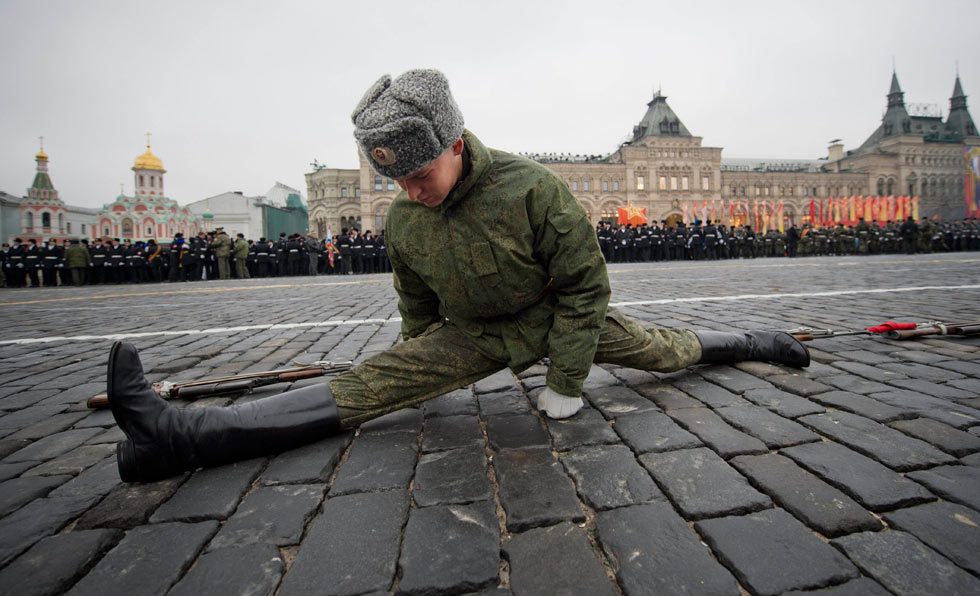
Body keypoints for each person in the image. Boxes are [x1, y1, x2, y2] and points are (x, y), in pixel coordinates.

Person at [106, 69, 808, 483]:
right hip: (477, 336)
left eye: (418, 174)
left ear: (453, 143)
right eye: (394, 179)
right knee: (364, 386)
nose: (408, 191)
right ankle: (182, 439)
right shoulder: (406, 219)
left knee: (663, 351)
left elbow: (587, 290)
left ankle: (750, 340)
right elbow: (416, 299)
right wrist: (421, 361)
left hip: (558, 320)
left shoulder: (533, 189)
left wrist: (565, 383)